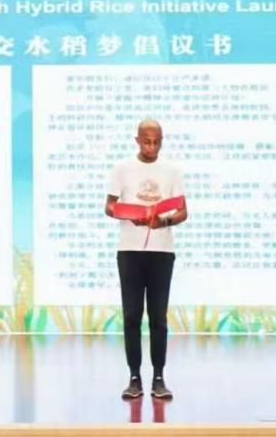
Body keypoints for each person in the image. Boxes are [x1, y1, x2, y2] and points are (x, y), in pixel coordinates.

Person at [105, 119, 188, 401]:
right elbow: (109, 206)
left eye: (157, 142)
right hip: (130, 251)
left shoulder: (172, 170)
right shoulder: (122, 169)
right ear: (137, 140)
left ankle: (159, 378)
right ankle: (134, 378)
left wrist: (163, 221)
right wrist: (130, 214)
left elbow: (182, 211)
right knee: (131, 316)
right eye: (147, 141)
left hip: (161, 251)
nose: (152, 147)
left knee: (158, 318)